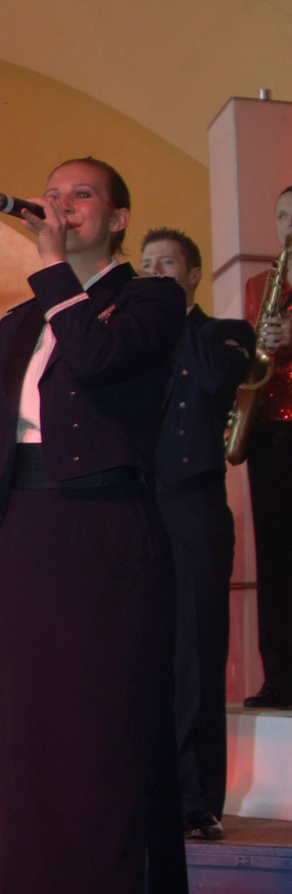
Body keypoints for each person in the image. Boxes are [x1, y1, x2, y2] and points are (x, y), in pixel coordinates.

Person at [0, 157, 189, 894]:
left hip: (105, 525)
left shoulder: (147, 298)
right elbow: (8, 433)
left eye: (80, 196)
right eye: (54, 193)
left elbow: (102, 362)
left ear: (117, 216)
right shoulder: (19, 320)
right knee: (34, 742)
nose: (61, 205)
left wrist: (56, 273)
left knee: (100, 737)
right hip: (32, 527)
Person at [141, 228, 255, 842]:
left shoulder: (223, 333)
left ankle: (195, 799)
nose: (155, 273)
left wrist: (172, 316)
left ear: (192, 275)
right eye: (146, 266)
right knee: (140, 657)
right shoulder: (132, 344)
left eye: (167, 266)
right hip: (138, 510)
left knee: (194, 655)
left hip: (193, 510)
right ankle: (145, 788)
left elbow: (215, 381)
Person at [243, 185, 292, 709]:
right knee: (276, 559)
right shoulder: (263, 282)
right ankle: (279, 675)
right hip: (271, 427)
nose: (288, 225)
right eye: (281, 215)